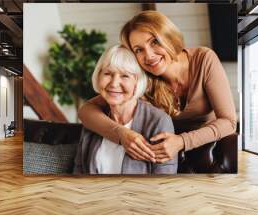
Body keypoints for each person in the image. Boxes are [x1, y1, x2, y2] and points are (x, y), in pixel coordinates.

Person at [78, 10, 237, 171]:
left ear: (168, 36)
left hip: (208, 151)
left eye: (154, 42)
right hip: (161, 155)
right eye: (138, 50)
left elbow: (229, 122)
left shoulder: (204, 59)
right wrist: (121, 134)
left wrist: (181, 142)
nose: (149, 55)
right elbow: (86, 110)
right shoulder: (143, 79)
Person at [73, 44, 178, 174]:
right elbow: (78, 174)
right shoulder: (94, 120)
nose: (114, 83)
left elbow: (164, 184)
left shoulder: (158, 121)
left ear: (137, 81)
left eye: (125, 76)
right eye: (107, 73)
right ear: (98, 76)